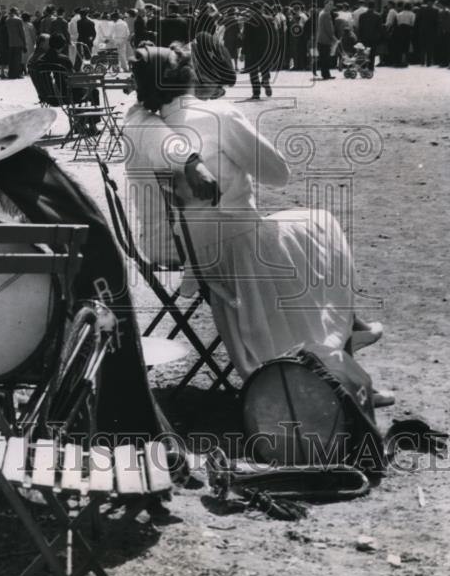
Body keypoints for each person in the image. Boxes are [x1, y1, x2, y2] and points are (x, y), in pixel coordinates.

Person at [124, 45, 385, 384]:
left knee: (300, 235)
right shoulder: (217, 115)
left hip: (179, 244)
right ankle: (340, 350)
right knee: (319, 224)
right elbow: (278, 174)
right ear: (190, 77)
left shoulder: (141, 120)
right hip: (228, 245)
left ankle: (347, 334)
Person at [241, 1, 276, 98]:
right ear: (262, 9)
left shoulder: (249, 21)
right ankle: (266, 79)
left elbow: (246, 38)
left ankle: (256, 93)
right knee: (265, 67)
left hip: (252, 50)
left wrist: (243, 52)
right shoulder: (269, 20)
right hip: (266, 48)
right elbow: (274, 36)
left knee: (253, 71)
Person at [357, 1, 382, 70]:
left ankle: (364, 66)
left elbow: (360, 28)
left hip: (364, 37)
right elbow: (379, 29)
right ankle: (371, 67)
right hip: (374, 38)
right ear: (374, 7)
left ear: (367, 6)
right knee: (372, 53)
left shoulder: (362, 16)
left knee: (364, 53)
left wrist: (359, 38)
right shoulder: (378, 16)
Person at [316, 0, 336, 80]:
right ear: (325, 4)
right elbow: (328, 28)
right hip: (325, 39)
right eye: (330, 4)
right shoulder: (326, 14)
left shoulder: (321, 13)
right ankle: (326, 74)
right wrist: (333, 37)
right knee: (326, 58)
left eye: (332, 4)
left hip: (321, 38)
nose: (331, 6)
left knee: (323, 57)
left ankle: (325, 74)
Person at [5, 7, 27, 79]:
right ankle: (17, 74)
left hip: (10, 42)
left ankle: (11, 73)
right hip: (18, 42)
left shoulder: (7, 20)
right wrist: (24, 43)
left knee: (11, 59)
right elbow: (22, 33)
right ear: (15, 12)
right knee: (17, 59)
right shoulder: (18, 20)